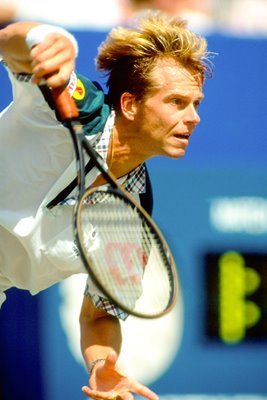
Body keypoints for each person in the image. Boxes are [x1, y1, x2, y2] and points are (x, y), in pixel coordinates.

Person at [0, 12, 211, 400]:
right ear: (130, 104)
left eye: (196, 103)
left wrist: (102, 365)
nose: (193, 117)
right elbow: (10, 42)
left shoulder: (131, 215)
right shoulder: (71, 105)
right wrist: (46, 36)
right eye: (177, 102)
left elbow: (99, 315)